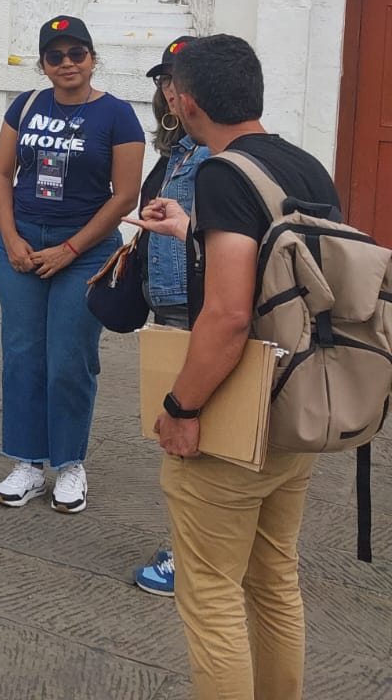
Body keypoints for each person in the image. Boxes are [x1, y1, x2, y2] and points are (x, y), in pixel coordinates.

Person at [128, 35, 337, 700]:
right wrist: (191, 229)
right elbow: (283, 271)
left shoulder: (223, 171)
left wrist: (180, 407)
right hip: (297, 404)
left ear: (185, 102)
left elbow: (226, 316)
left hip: (234, 414)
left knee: (210, 590)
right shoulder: (304, 166)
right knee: (274, 579)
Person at [0, 15, 144, 512]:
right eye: (55, 56)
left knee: (69, 360)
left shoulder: (118, 116)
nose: (67, 64)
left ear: (93, 59)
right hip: (23, 246)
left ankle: (70, 464)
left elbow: (125, 196)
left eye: (77, 54)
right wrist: (10, 237)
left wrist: (72, 248)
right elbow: (0, 172)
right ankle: (27, 463)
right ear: (43, 64)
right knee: (22, 355)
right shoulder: (27, 105)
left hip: (85, 252)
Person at [131, 36, 209, 597]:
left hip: (192, 302)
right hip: (168, 297)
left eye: (177, 81)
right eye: (163, 81)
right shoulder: (177, 148)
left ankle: (192, 559)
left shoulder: (212, 154)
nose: (169, 91)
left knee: (187, 431)